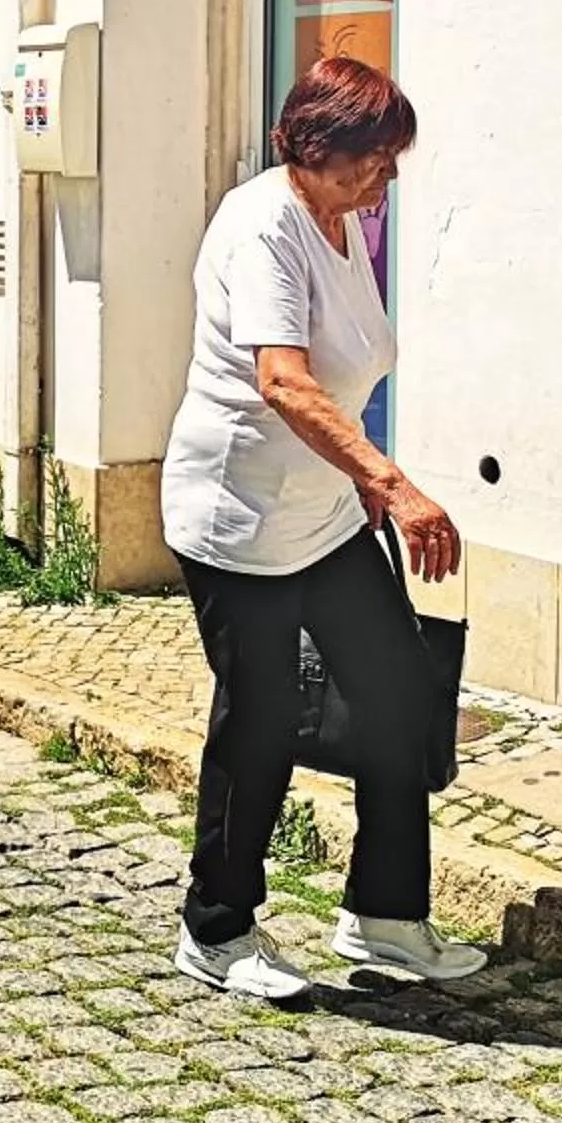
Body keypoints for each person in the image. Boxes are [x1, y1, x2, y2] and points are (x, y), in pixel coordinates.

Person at [159, 54, 480, 999]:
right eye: (368, 161)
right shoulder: (264, 227)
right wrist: (394, 479)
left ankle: (383, 918)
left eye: (389, 161)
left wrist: (360, 482)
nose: (383, 178)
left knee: (396, 693)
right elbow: (284, 380)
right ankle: (216, 929)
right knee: (258, 722)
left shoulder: (342, 224)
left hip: (325, 515)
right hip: (240, 518)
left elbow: (342, 374)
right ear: (309, 148)